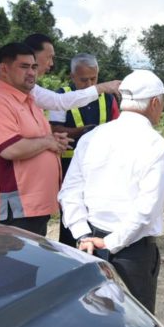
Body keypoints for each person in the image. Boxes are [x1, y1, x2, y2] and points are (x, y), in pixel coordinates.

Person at [59, 70, 164, 313]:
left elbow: (69, 192)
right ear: (154, 103)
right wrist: (110, 242)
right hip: (131, 251)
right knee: (135, 320)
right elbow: (146, 211)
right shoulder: (156, 145)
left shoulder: (92, 136)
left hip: (87, 245)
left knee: (93, 313)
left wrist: (82, 234)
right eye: (162, 102)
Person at [0, 42, 71, 236]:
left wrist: (52, 140)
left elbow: (37, 139)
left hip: (32, 209)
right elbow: (10, 149)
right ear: (4, 69)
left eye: (34, 67)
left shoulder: (28, 101)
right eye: (24, 67)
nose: (31, 73)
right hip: (12, 211)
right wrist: (47, 142)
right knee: (10, 265)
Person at [50, 53, 120, 246]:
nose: (90, 84)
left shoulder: (109, 97)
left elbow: (117, 125)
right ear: (72, 76)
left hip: (103, 163)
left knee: (98, 206)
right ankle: (69, 248)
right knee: (72, 207)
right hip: (69, 162)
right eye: (83, 80)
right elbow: (54, 129)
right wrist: (83, 131)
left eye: (94, 78)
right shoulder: (60, 96)